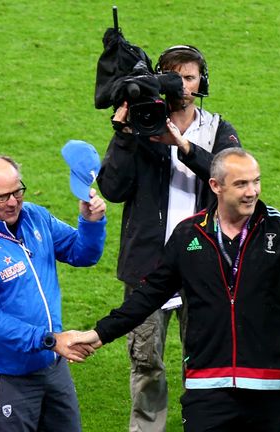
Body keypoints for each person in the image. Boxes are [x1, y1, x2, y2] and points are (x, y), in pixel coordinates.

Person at [75, 148, 280, 431]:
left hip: (272, 386)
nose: (252, 192)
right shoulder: (188, 236)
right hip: (207, 385)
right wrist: (99, 334)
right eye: (241, 184)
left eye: (256, 182)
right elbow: (149, 295)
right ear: (216, 186)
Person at [97, 44, 241, 431]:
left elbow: (233, 183)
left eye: (190, 77)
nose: (182, 85)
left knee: (206, 361)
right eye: (174, 76)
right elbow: (111, 189)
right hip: (148, 269)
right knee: (146, 364)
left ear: (202, 82)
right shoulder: (143, 125)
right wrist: (125, 134)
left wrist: (184, 146)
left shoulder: (217, 130)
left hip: (204, 267)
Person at [0, 155, 107, 431]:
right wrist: (50, 340)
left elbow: (82, 254)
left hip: (52, 365)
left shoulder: (35, 217)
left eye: (17, 191)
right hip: (5, 375)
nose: (12, 202)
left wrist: (90, 223)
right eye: (2, 196)